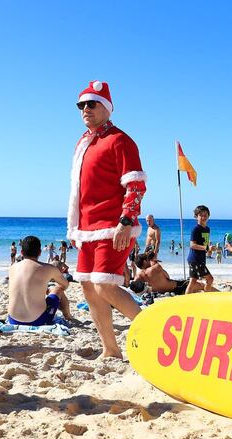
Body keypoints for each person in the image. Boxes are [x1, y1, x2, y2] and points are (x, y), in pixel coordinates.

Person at [66, 80, 147, 358]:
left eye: (91, 103)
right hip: (86, 228)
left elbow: (135, 184)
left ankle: (152, 331)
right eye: (81, 105)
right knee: (88, 287)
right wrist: (75, 229)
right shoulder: (84, 142)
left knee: (104, 284)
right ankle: (110, 350)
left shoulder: (121, 140)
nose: (85, 109)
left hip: (113, 226)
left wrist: (126, 221)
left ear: (107, 108)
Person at [8, 236, 74, 325]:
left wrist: (42, 287)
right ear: (39, 252)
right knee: (58, 289)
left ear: (22, 252)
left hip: (13, 319)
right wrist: (48, 288)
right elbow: (65, 285)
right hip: (37, 320)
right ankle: (68, 316)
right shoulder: (49, 268)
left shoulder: (12, 268)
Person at [187, 205, 215, 293]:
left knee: (192, 282)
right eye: (201, 215)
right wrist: (207, 248)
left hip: (199, 259)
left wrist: (209, 250)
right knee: (210, 279)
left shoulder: (207, 229)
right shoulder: (196, 229)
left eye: (205, 215)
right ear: (196, 216)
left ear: (208, 216)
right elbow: (192, 245)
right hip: (195, 259)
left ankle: (185, 301)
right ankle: (206, 299)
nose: (203, 217)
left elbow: (205, 245)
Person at [129, 261, 195, 295]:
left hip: (160, 292)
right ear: (144, 261)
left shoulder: (139, 275)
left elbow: (133, 285)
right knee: (195, 284)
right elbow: (168, 277)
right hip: (176, 288)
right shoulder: (155, 268)